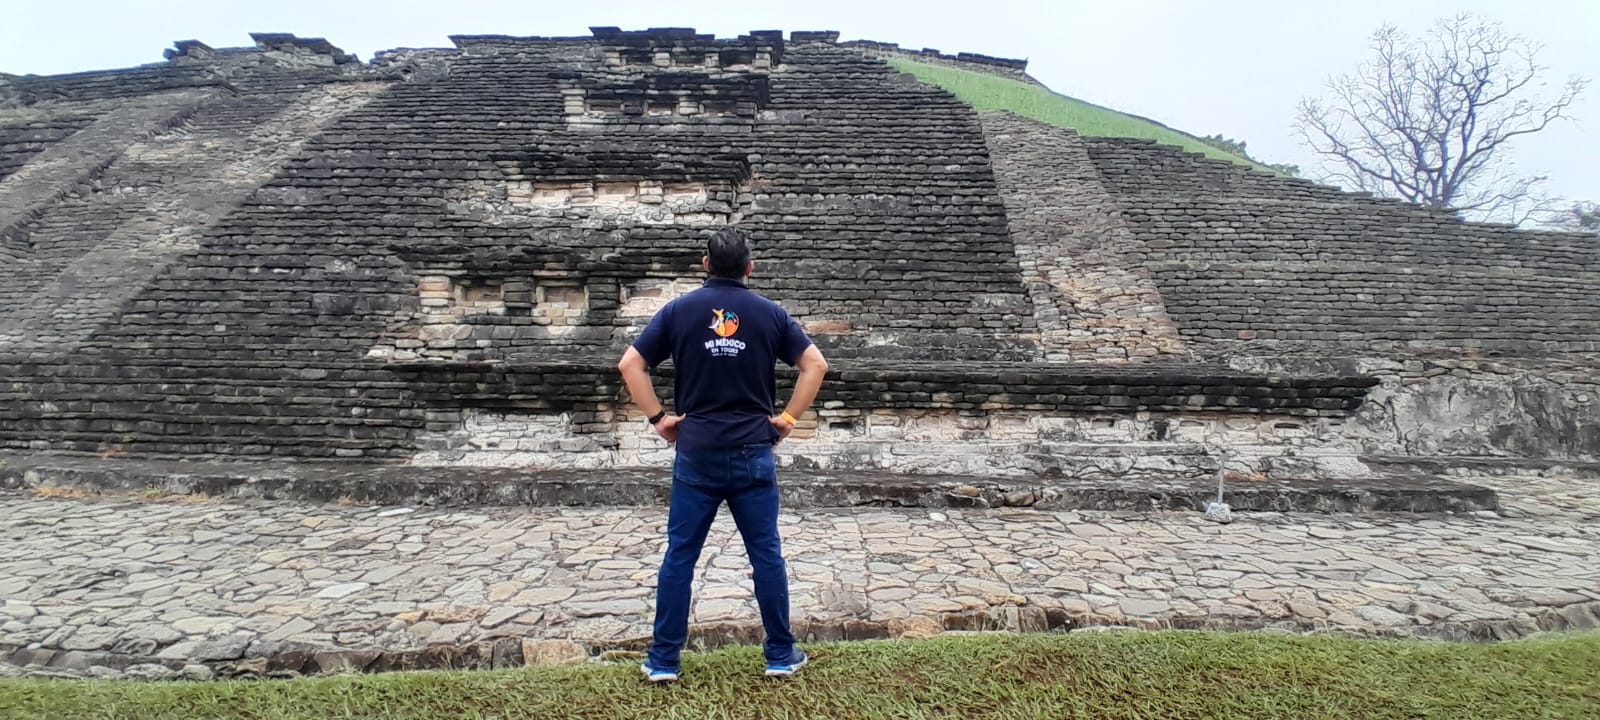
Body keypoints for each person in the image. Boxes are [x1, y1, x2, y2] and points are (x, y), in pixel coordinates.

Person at [617, 227, 830, 682]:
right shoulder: (770, 314)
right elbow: (815, 364)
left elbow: (630, 364)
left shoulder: (678, 311)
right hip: (753, 447)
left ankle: (663, 660)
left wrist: (659, 419)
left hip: (696, 449)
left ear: (705, 264)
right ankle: (780, 654)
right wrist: (788, 418)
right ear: (750, 267)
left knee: (680, 556)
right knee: (766, 554)